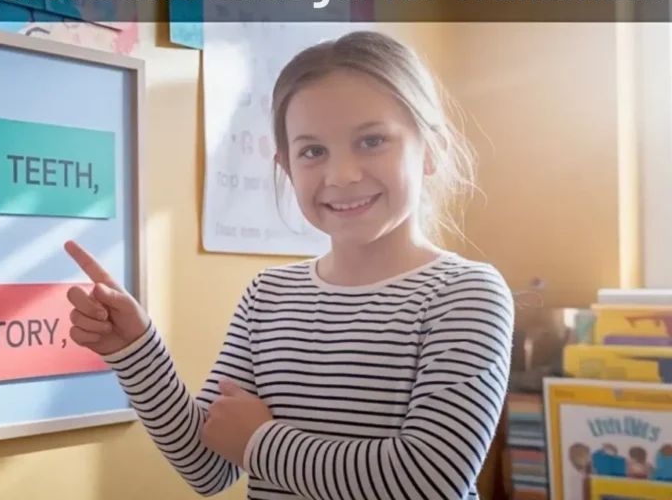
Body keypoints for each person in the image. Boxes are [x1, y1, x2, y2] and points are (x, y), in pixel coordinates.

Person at [63, 30, 515, 500]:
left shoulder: (466, 294)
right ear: (285, 166)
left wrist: (259, 442)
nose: (341, 175)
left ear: (433, 150)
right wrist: (136, 349)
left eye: (372, 140)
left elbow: (427, 480)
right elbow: (207, 466)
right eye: (313, 151)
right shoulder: (269, 295)